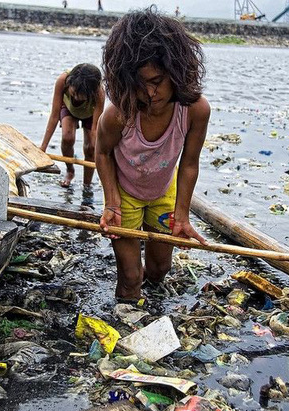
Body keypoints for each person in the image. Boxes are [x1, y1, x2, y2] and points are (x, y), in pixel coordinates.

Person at [96, 7, 210, 302]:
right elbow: (103, 152)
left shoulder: (195, 110)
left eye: (157, 81)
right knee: (131, 279)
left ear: (177, 74)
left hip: (163, 192)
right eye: (140, 82)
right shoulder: (120, 114)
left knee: (160, 269)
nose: (149, 92)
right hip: (125, 196)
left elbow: (188, 164)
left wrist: (182, 215)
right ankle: (126, 324)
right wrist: (111, 202)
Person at [40, 63, 105, 191]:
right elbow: (54, 116)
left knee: (91, 147)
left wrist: (100, 154)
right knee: (67, 137)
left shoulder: (99, 92)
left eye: (80, 96)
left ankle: (87, 185)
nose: (76, 97)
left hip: (90, 113)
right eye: (74, 92)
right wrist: (43, 147)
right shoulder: (63, 81)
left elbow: (96, 127)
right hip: (69, 109)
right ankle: (70, 171)